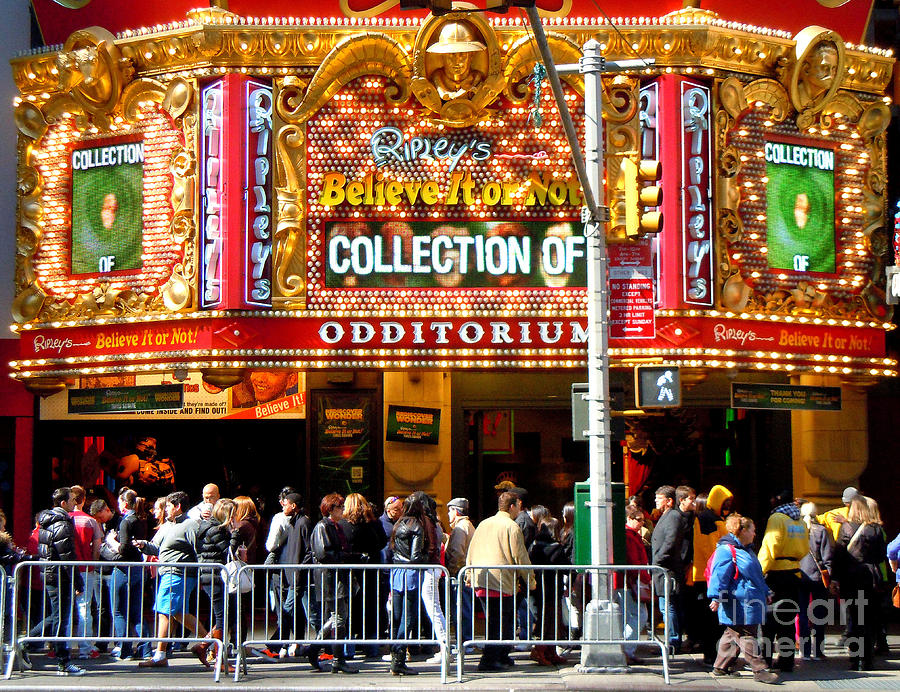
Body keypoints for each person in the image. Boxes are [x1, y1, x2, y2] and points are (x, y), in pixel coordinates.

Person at [135, 490, 210, 669]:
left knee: (168, 611)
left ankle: (163, 653)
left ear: (177, 507)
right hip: (168, 574)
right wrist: (144, 545)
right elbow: (156, 547)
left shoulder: (191, 525)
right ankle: (208, 641)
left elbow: (199, 551)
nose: (165, 509)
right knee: (172, 612)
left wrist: (201, 575)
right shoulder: (167, 525)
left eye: (168, 505)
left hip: (179, 574)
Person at [465, 490, 535, 673]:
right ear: (512, 506)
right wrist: (531, 580)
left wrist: (469, 576)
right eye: (517, 506)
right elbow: (520, 557)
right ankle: (490, 659)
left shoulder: (483, 524)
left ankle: (501, 655)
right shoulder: (511, 527)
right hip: (501, 582)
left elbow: (471, 551)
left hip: (481, 579)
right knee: (499, 622)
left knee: (496, 621)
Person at [707, 514, 778, 684]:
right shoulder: (726, 550)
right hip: (738, 603)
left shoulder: (747, 550)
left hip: (749, 600)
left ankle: (720, 667)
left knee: (732, 634)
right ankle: (759, 669)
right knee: (746, 634)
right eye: (752, 530)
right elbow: (720, 576)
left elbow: (756, 576)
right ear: (743, 531)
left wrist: (766, 591)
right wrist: (716, 597)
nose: (755, 534)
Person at [307, 493, 360, 674]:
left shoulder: (333, 526)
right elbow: (324, 554)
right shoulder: (323, 526)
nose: (343, 510)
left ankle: (315, 649)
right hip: (330, 579)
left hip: (336, 578)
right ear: (331, 509)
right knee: (338, 618)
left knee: (337, 618)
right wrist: (349, 557)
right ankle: (333, 657)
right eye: (340, 507)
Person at [832, 496, 887, 670]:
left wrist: (835, 579)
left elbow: (839, 555)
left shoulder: (846, 527)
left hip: (851, 578)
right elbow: (880, 556)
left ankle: (855, 658)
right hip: (870, 577)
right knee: (869, 619)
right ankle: (868, 658)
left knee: (855, 618)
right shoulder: (876, 529)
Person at [37, 487, 86, 676]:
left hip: (50, 574)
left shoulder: (46, 520)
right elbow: (68, 556)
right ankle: (63, 661)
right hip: (59, 576)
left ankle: (26, 642)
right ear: (63, 503)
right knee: (60, 619)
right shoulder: (63, 523)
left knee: (57, 617)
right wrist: (77, 581)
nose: (75, 502)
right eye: (72, 500)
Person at [759, 490, 808, 673]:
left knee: (769, 620)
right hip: (794, 572)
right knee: (787, 620)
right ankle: (787, 661)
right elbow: (805, 547)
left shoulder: (777, 518)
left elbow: (770, 547)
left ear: (777, 499)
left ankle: (765, 660)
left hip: (776, 574)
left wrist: (759, 571)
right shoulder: (799, 520)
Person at [262, 490, 311, 659]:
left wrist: (300, 569)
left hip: (294, 574)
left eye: (286, 503)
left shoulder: (298, 522)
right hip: (291, 573)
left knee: (289, 610)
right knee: (294, 610)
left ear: (293, 505)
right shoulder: (295, 522)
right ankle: (291, 645)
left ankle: (277, 645)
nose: (283, 506)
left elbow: (272, 545)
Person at [338, 493, 387, 658]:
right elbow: (382, 542)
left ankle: (348, 650)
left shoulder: (342, 525)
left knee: (350, 611)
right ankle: (371, 649)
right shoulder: (374, 523)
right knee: (371, 609)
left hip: (350, 574)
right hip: (371, 572)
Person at [104, 487, 149, 660]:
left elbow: (123, 549)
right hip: (137, 568)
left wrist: (110, 541)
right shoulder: (140, 519)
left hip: (123, 569)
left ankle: (124, 649)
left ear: (123, 502)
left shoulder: (125, 521)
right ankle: (145, 650)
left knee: (118, 611)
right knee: (136, 611)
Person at [690, 485, 732, 664]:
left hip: (710, 573)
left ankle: (713, 655)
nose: (728, 506)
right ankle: (711, 655)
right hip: (708, 575)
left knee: (712, 619)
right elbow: (709, 548)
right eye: (726, 502)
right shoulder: (707, 519)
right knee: (711, 619)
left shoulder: (712, 518)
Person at [388, 493, 429, 676]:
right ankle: (398, 656)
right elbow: (415, 557)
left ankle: (396, 657)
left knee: (397, 616)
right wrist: (429, 559)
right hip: (410, 573)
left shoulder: (398, 524)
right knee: (409, 616)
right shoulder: (417, 526)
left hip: (397, 572)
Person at [651, 485, 692, 654]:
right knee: (666, 606)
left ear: (668, 501)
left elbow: (670, 541)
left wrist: (658, 559)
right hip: (662, 569)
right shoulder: (666, 516)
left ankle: (672, 641)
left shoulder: (674, 516)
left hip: (667, 569)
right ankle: (671, 640)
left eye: (659, 498)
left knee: (668, 607)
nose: (655, 501)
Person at [196, 498, 235, 668]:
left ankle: (203, 646)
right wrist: (235, 533)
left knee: (227, 616)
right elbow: (228, 551)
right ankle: (220, 659)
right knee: (222, 617)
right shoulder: (216, 530)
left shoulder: (211, 527)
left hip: (214, 576)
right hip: (214, 577)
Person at [68, 484, 103, 661]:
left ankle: (63, 647)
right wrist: (93, 564)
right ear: (83, 500)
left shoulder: (63, 518)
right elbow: (97, 548)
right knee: (84, 608)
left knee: (65, 609)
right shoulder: (90, 521)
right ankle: (85, 648)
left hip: (66, 569)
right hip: (86, 569)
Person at [527, 514, 568, 666]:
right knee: (549, 622)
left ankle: (550, 652)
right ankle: (540, 650)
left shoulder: (534, 545)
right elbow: (566, 567)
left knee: (545, 620)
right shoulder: (556, 548)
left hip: (538, 588)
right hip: (552, 589)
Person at [798, 502, 833, 660]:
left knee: (802, 613)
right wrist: (829, 577)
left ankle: (804, 651)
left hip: (800, 576)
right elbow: (827, 557)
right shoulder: (821, 531)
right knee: (819, 614)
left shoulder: (797, 531)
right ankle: (818, 651)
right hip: (818, 578)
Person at [617, 505, 650, 665]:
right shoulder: (629, 536)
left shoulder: (632, 535)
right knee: (639, 615)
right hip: (631, 583)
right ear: (629, 519)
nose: (642, 523)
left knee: (633, 615)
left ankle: (626, 649)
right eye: (639, 520)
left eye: (643, 520)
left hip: (631, 582)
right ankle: (626, 649)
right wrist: (645, 578)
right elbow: (633, 561)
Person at [425, 20, 486, 101]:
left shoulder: (477, 80)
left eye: (462, 54)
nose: (457, 61)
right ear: (442, 56)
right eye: (451, 54)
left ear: (471, 55)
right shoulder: (436, 81)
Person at [446, 497, 475, 650]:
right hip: (465, 572)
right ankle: (466, 640)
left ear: (456, 511)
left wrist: (452, 571)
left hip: (460, 574)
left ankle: (464, 642)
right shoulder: (467, 525)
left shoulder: (460, 527)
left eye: (449, 511)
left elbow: (457, 552)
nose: (448, 515)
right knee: (465, 607)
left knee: (462, 608)